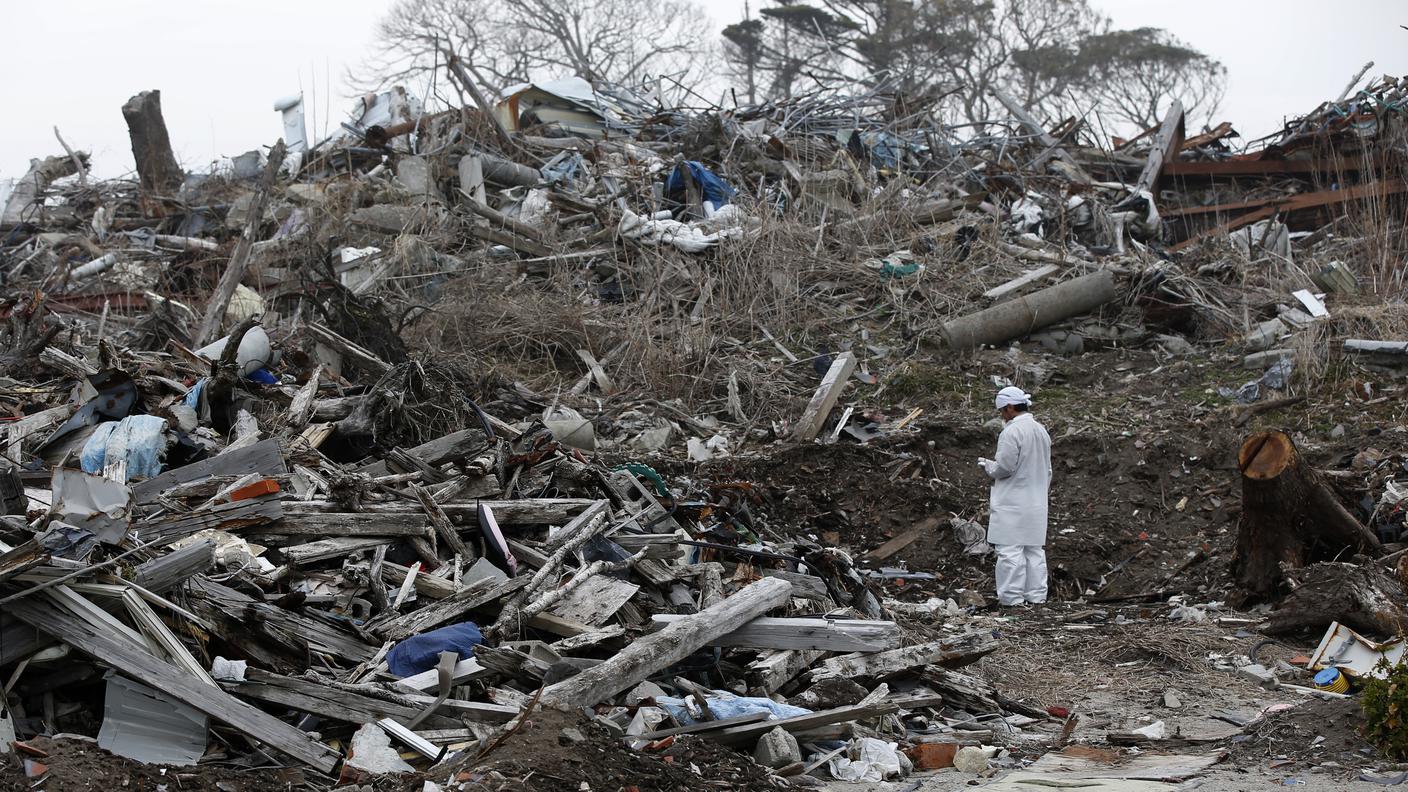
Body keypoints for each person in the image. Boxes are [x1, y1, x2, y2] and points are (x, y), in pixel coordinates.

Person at [978, 386, 1052, 607]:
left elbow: (1005, 467)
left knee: (1010, 550)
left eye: (1002, 410)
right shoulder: (1041, 430)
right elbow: (1047, 469)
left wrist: (988, 466)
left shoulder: (1012, 432)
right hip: (1036, 501)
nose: (1002, 415)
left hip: (1013, 501)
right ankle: (1036, 596)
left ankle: (1011, 599)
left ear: (1010, 408)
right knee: (1033, 550)